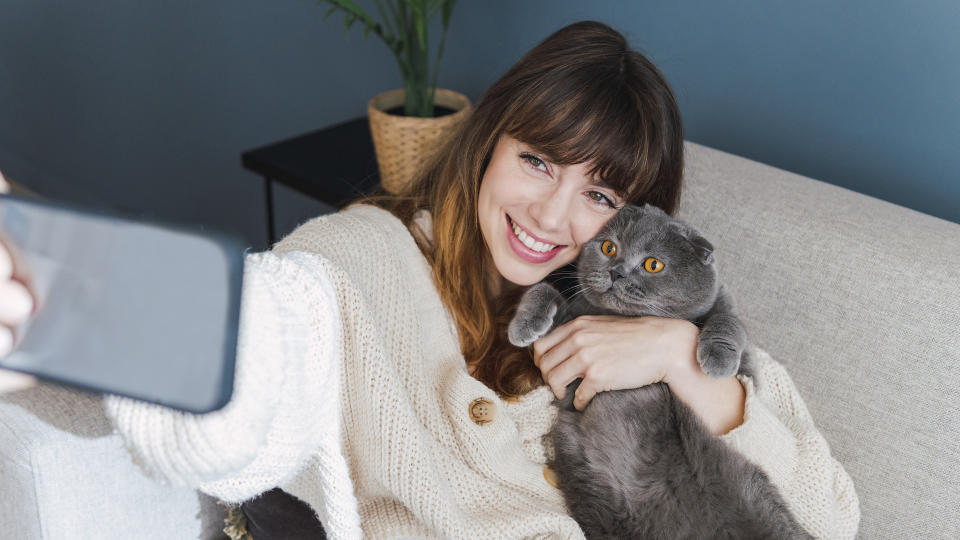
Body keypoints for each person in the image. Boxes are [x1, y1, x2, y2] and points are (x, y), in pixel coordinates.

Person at [0, 21, 859, 539]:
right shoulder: (364, 262)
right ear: (489, 143)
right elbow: (269, 354)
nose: (554, 219)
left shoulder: (653, 309)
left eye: (599, 194)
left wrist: (681, 359)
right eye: (537, 162)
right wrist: (83, 296)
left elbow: (830, 518)